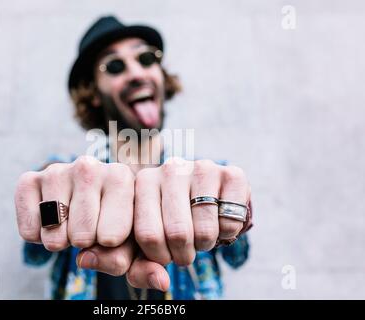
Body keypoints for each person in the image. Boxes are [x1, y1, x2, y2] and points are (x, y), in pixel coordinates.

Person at [14, 15, 253, 300]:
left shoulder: (205, 179)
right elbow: (34, 257)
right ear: (92, 92)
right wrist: (50, 196)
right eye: (114, 66)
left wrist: (232, 209)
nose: (137, 73)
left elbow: (238, 258)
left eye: (147, 58)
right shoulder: (69, 177)